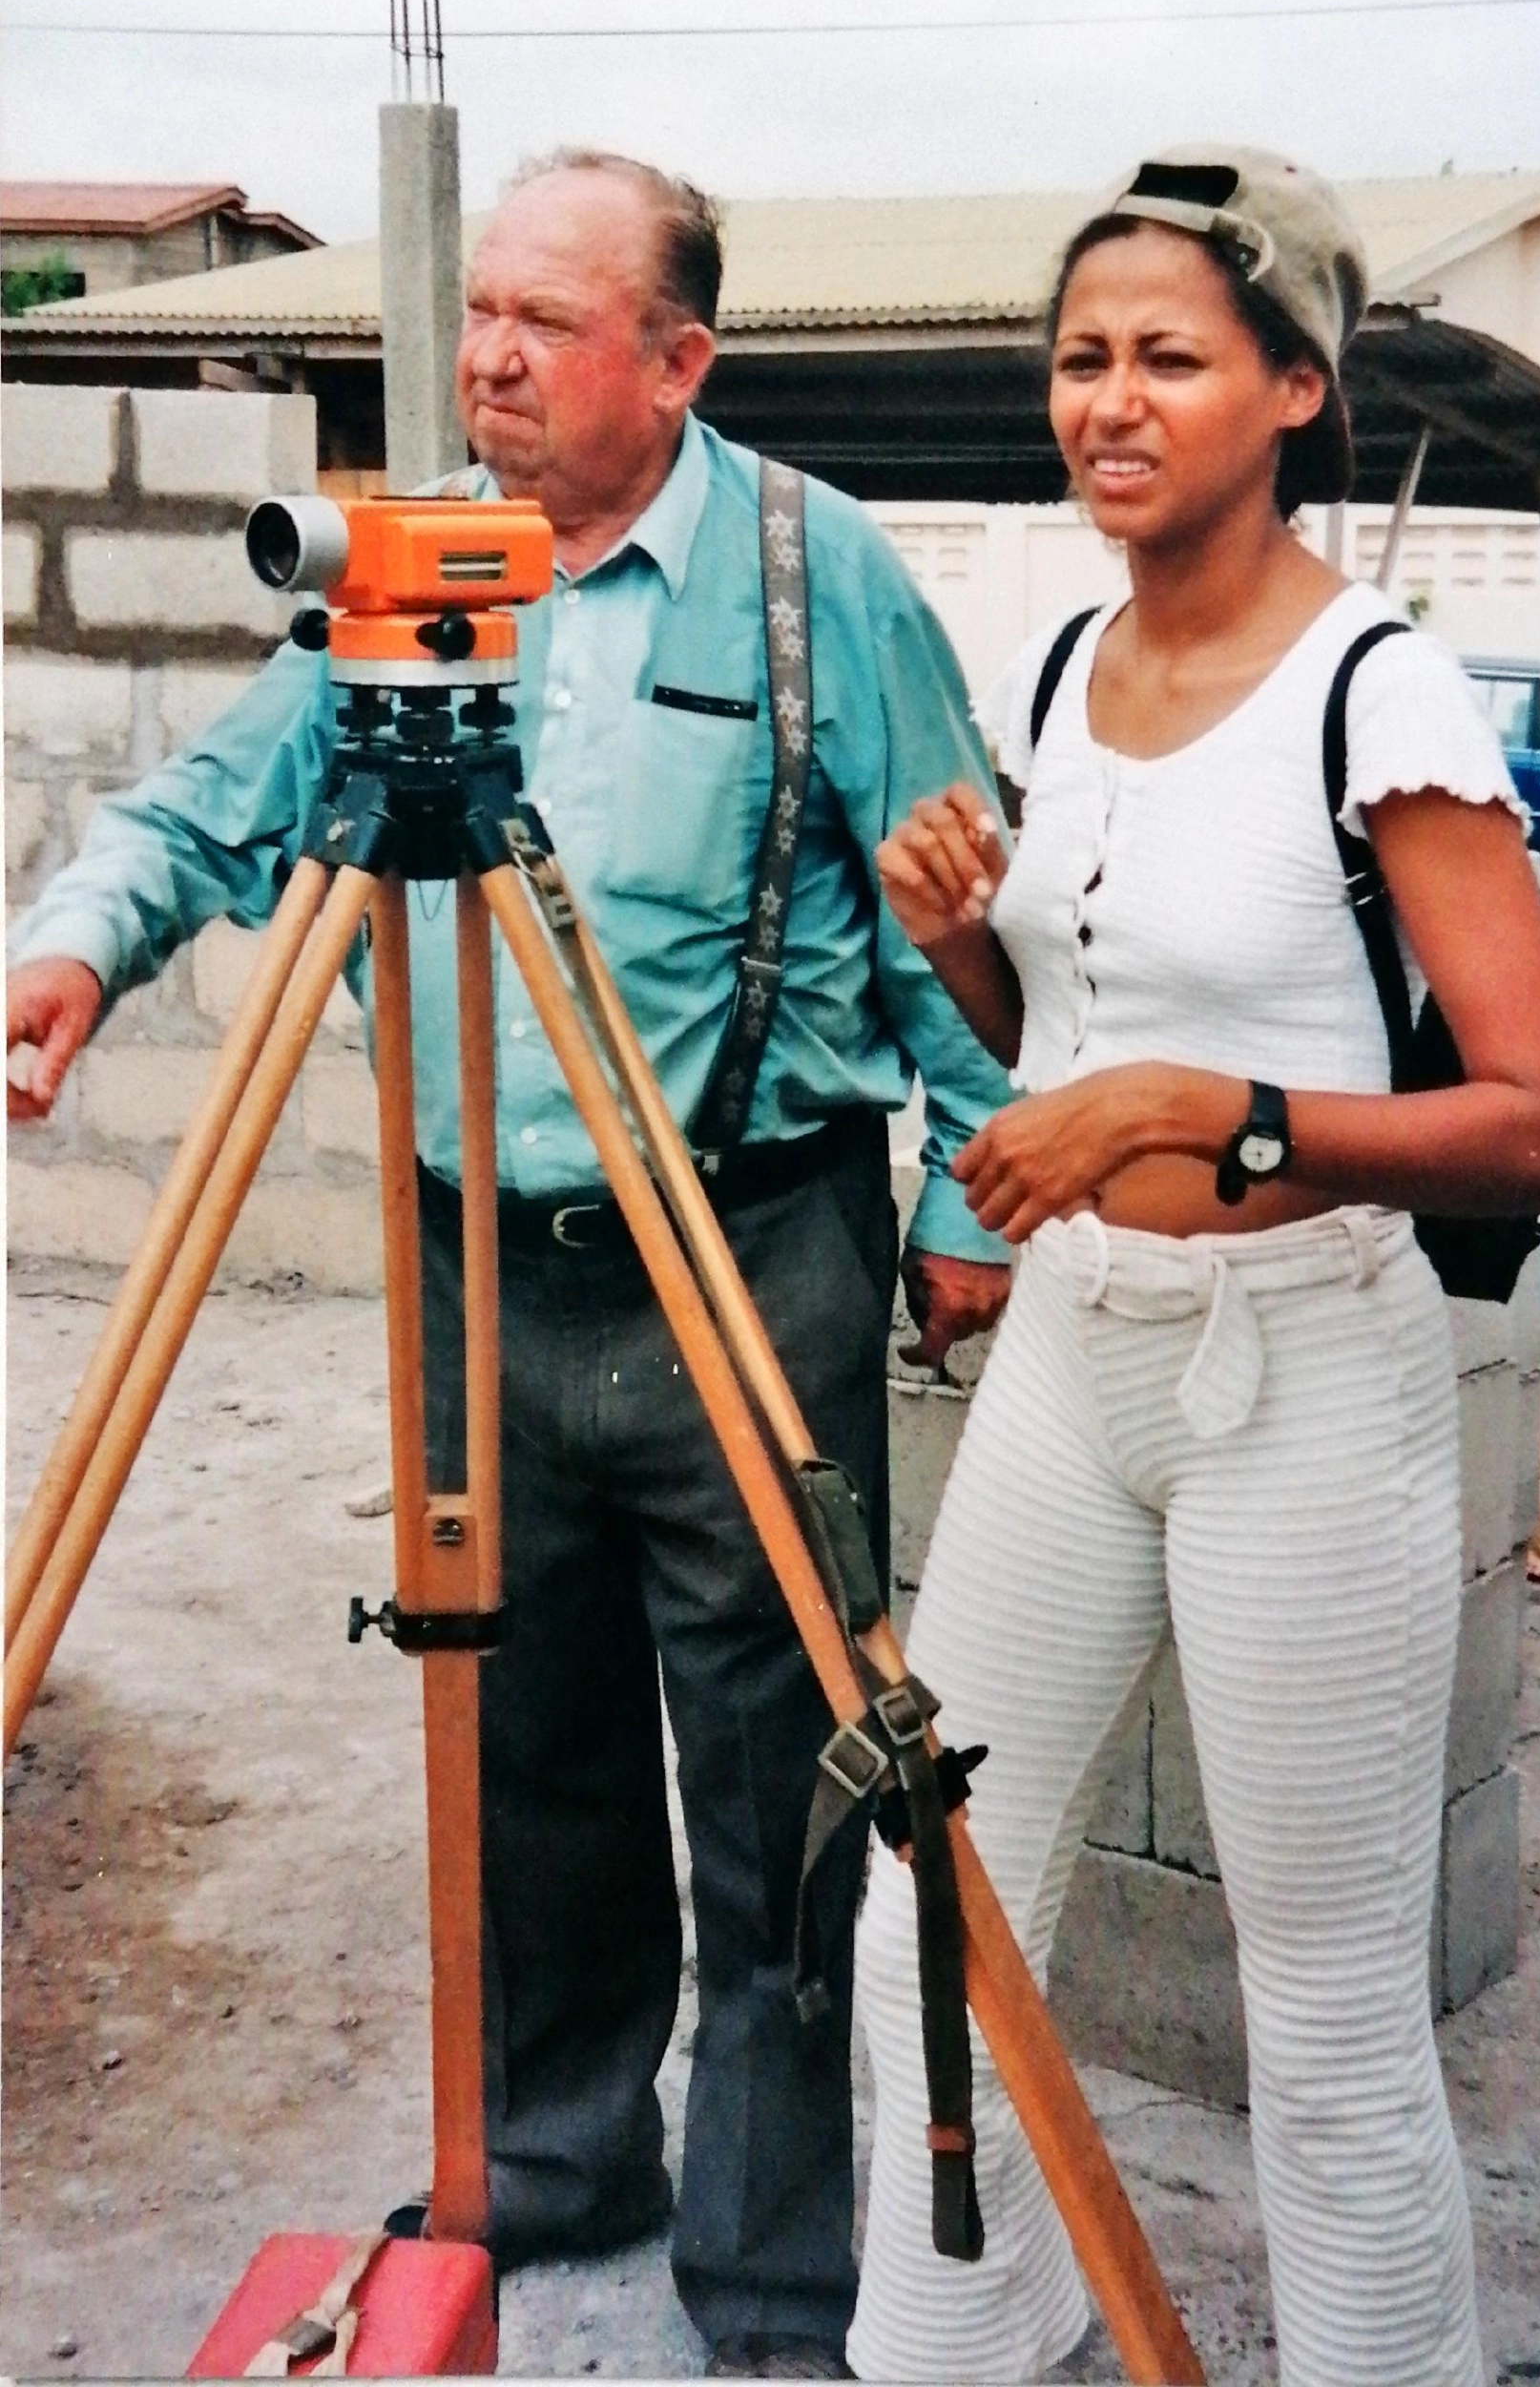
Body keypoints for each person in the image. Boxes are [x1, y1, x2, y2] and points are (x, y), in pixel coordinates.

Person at [5, 151, 1015, 2384]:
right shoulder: (413, 570)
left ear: (678, 361)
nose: (486, 361)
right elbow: (209, 805)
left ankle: (763, 2282)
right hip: (477, 1273)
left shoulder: (809, 577)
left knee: (778, 1788)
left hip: (746, 1251)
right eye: (478, 315)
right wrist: (74, 949)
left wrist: (964, 1207)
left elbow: (951, 905)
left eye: (546, 324)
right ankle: (563, 2157)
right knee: (524, 1739)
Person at [849, 148, 1540, 2387]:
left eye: (1168, 356)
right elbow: (1043, 1055)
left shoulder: (1378, 693)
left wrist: (1216, 1111)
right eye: (1079, 360)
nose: (1108, 401)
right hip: (1080, 1358)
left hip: (1314, 1379)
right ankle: (969, 2335)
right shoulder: (1062, 663)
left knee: (1327, 2008)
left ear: (1291, 387)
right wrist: (956, 942)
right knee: (944, 1899)